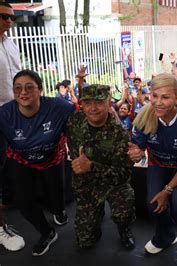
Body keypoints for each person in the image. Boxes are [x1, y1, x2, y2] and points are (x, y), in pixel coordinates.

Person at [128, 73, 177, 264]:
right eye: (154, 96)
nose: (158, 102)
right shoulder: (144, 118)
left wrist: (167, 191)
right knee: (153, 204)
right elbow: (138, 148)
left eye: (165, 97)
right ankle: (165, 237)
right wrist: (135, 153)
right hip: (159, 165)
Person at [0, 70, 73, 256]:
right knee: (23, 200)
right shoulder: (5, 114)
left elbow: (83, 115)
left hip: (52, 157)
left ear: (40, 89)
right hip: (20, 159)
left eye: (29, 87)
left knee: (56, 194)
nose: (23, 92)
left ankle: (58, 210)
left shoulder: (59, 107)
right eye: (18, 88)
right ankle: (47, 232)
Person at [65, 84, 136, 250]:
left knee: (123, 210)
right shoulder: (74, 120)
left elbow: (123, 174)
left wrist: (91, 166)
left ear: (108, 103)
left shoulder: (119, 133)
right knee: (85, 241)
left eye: (99, 102)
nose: (93, 108)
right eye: (88, 103)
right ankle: (96, 213)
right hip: (86, 185)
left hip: (113, 183)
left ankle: (124, 229)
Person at [0, 1, 25, 252]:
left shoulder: (10, 43)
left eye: (12, 18)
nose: (9, 21)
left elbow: (17, 75)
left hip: (13, 110)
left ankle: (7, 200)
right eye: (4, 17)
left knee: (10, 160)